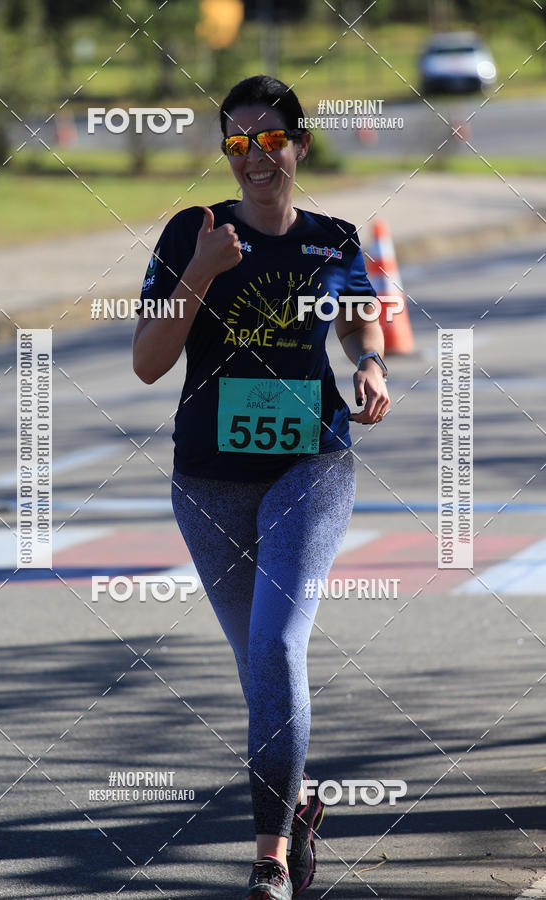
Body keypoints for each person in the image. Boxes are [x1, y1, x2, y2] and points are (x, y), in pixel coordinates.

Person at [133, 74, 390, 900]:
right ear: (225, 153)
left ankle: (269, 856)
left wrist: (373, 362)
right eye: (238, 142)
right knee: (260, 671)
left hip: (310, 464)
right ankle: (303, 801)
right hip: (207, 478)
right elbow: (146, 364)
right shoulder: (192, 232)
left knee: (279, 645)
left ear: (299, 145)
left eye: (270, 140)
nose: (255, 157)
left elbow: (360, 318)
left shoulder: (334, 239)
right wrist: (201, 272)